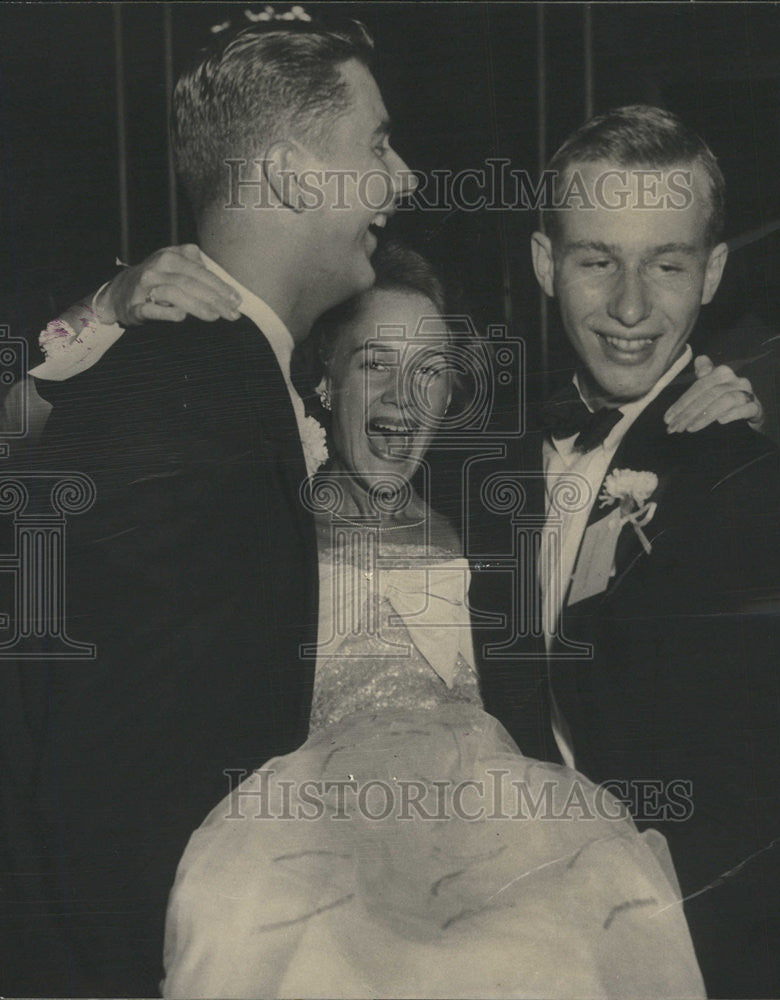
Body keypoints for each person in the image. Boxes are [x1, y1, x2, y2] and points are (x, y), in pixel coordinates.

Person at [160, 241, 708, 998]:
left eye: (429, 373)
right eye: (376, 364)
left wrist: (715, 415)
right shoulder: (268, 531)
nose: (401, 398)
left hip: (492, 827)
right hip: (314, 833)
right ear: (326, 377)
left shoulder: (482, 521)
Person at [0, 16, 415, 996]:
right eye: (378, 145)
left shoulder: (217, 378)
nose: (401, 181)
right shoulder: (188, 401)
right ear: (287, 174)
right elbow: (112, 799)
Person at [470, 106, 780, 997]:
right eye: (597, 260)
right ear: (543, 263)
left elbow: (767, 834)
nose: (631, 307)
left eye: (666, 264)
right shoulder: (491, 455)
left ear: (712, 272)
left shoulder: (749, 489)